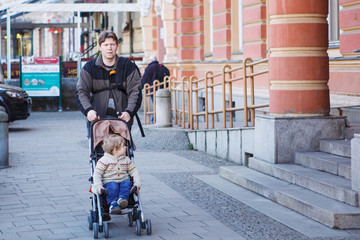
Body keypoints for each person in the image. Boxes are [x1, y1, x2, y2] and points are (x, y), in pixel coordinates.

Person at [76, 31, 142, 134]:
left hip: (122, 119)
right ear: (99, 47)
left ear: (117, 46)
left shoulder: (128, 66)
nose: (109, 48)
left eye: (112, 44)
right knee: (97, 149)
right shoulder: (89, 67)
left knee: (121, 149)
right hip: (97, 119)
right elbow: (81, 91)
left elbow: (135, 91)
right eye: (105, 45)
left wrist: (129, 112)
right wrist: (89, 111)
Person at [93, 134, 141, 214]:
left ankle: (122, 199)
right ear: (115, 150)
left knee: (127, 182)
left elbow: (134, 171)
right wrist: (99, 186)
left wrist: (137, 184)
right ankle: (113, 203)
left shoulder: (126, 159)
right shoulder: (104, 160)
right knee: (113, 186)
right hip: (109, 182)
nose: (126, 147)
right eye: (123, 146)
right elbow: (97, 174)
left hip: (123, 180)